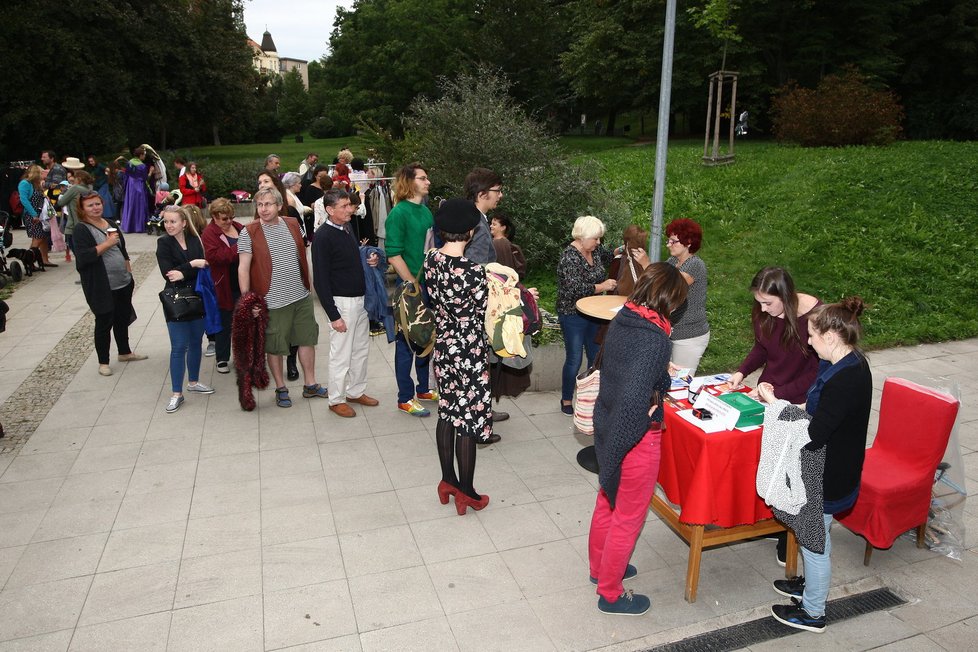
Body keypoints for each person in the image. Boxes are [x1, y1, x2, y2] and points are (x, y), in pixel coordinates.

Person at [761, 297, 873, 634]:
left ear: (832, 337)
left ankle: (813, 612)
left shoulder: (845, 379)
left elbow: (813, 433)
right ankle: (810, 588)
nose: (807, 343)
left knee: (814, 542)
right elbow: (814, 405)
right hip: (831, 466)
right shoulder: (843, 363)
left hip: (828, 475)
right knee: (816, 535)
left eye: (812, 336)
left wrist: (776, 405)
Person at [588, 263, 688, 615]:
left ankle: (599, 568)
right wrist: (655, 407)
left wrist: (660, 377)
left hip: (608, 423)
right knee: (628, 516)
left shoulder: (624, 317)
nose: (678, 306)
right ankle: (611, 593)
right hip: (634, 438)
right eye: (677, 300)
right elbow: (635, 399)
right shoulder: (655, 338)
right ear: (667, 299)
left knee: (607, 500)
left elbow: (624, 371)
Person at [423, 198, 493, 515]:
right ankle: (467, 491)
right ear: (470, 231)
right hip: (468, 348)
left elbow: (434, 299)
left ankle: (447, 480)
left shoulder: (430, 261)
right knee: (467, 418)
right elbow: (484, 311)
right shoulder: (473, 272)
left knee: (448, 411)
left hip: (445, 344)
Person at [238, 187, 328, 408]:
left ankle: (310, 384)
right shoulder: (248, 232)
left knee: (307, 339)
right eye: (260, 205)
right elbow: (243, 269)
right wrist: (249, 301)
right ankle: (281, 388)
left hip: (300, 295)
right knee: (276, 345)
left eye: (268, 204)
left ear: (279, 206)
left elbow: (302, 254)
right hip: (272, 301)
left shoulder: (293, 224)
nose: (263, 209)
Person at [312, 189, 381, 417]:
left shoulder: (346, 228)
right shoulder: (323, 237)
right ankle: (336, 399)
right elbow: (320, 279)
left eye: (349, 205)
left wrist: (368, 258)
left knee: (360, 350)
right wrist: (334, 315)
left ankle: (355, 391)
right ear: (330, 210)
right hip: (342, 303)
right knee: (341, 353)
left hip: (360, 300)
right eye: (343, 206)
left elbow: (349, 259)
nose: (350, 209)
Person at [385, 163, 438, 417]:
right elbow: (393, 255)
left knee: (426, 337)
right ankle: (404, 397)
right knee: (406, 343)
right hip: (410, 289)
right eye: (423, 178)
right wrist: (412, 284)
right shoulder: (399, 213)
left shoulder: (426, 212)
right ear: (409, 182)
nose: (428, 182)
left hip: (428, 285)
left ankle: (424, 388)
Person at [74, 191, 147, 376]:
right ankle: (103, 362)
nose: (95, 207)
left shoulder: (111, 223)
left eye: (97, 203)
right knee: (104, 321)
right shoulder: (82, 229)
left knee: (122, 318)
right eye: (90, 205)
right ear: (82, 209)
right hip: (101, 284)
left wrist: (129, 273)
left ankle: (124, 352)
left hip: (122, 281)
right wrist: (107, 244)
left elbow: (123, 250)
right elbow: (83, 257)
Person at [728, 267, 822, 404]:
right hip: (766, 394)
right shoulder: (764, 312)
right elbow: (761, 348)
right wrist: (741, 372)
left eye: (768, 303)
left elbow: (816, 373)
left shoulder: (815, 318)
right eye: (759, 302)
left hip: (798, 401)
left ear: (785, 296)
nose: (763, 309)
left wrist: (775, 394)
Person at [156, 205, 215, 413]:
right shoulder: (163, 243)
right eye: (166, 221)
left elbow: (204, 266)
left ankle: (193, 382)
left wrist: (188, 269)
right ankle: (176, 393)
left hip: (197, 297)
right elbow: (169, 274)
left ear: (183, 223)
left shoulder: (195, 239)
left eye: (173, 221)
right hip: (176, 300)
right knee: (179, 346)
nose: (168, 225)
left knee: (196, 342)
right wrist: (193, 264)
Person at [556, 215, 616, 415]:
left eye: (600, 238)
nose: (599, 242)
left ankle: (589, 396)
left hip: (594, 314)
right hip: (572, 314)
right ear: (582, 237)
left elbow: (609, 256)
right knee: (574, 359)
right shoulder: (569, 257)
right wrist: (602, 286)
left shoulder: (595, 250)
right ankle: (566, 399)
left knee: (595, 356)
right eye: (596, 238)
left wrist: (621, 251)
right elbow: (575, 289)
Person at [201, 198, 242, 374]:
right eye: (224, 219)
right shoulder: (209, 233)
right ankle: (222, 358)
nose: (228, 222)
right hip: (224, 284)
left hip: (242, 282)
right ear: (214, 217)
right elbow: (216, 257)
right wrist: (240, 247)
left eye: (230, 217)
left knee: (243, 323)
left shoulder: (240, 227)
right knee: (225, 323)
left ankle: (242, 358)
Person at [664, 218, 710, 374]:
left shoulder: (695, 264)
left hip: (689, 336)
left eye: (673, 241)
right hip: (671, 332)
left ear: (689, 242)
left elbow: (672, 284)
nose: (668, 244)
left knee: (680, 383)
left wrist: (646, 265)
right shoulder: (672, 261)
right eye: (668, 240)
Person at [18, 164, 56, 266]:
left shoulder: (35, 184)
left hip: (40, 215)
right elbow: (24, 200)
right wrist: (34, 214)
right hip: (32, 215)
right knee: (38, 237)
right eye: (41, 172)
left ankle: (44, 260)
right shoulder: (25, 183)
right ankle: (29, 261)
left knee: (43, 237)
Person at [462, 167, 499, 266]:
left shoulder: (466, 216)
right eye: (497, 191)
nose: (500, 195)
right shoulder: (479, 226)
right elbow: (475, 269)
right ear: (482, 194)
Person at [57, 169, 94, 262]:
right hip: (87, 223)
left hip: (73, 226)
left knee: (79, 255)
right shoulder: (89, 189)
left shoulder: (75, 188)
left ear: (79, 179)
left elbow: (61, 202)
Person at [121, 146, 151, 233]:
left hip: (130, 186)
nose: (144, 156)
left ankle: (128, 226)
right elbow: (145, 178)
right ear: (141, 155)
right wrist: (150, 173)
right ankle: (138, 227)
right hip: (138, 185)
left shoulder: (129, 163)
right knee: (139, 205)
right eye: (144, 155)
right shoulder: (142, 166)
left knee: (130, 204)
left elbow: (125, 175)